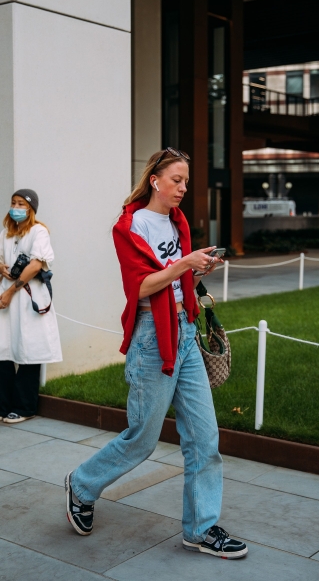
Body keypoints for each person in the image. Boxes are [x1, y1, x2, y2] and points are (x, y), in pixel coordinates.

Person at [65, 148, 248, 559]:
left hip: (184, 331)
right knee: (142, 438)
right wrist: (184, 263)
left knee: (205, 437)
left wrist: (197, 268)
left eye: (186, 181)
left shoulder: (177, 222)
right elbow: (143, 286)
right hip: (152, 337)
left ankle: (201, 529)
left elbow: (176, 275)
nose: (183, 188)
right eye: (176, 180)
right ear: (155, 180)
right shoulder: (129, 226)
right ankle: (81, 484)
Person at [0, 189, 62, 423]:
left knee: (28, 348)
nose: (16, 207)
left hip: (26, 296)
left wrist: (9, 291)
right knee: (3, 349)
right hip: (6, 297)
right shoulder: (6, 233)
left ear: (31, 209)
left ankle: (25, 407)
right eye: (13, 202)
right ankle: (2, 405)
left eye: (21, 204)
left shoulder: (39, 231)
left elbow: (36, 265)